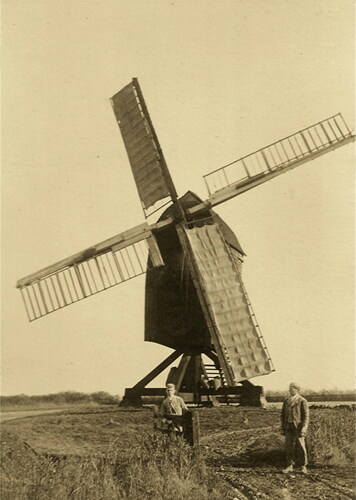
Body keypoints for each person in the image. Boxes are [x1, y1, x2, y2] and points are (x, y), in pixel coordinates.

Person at [280, 382, 309, 474]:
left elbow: (306, 416)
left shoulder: (302, 400)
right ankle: (289, 466)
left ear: (297, 390)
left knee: (301, 446)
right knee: (288, 446)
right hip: (288, 426)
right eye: (290, 388)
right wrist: (282, 427)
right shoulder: (286, 400)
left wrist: (304, 428)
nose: (290, 390)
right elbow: (283, 415)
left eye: (292, 388)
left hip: (298, 427)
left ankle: (303, 466)